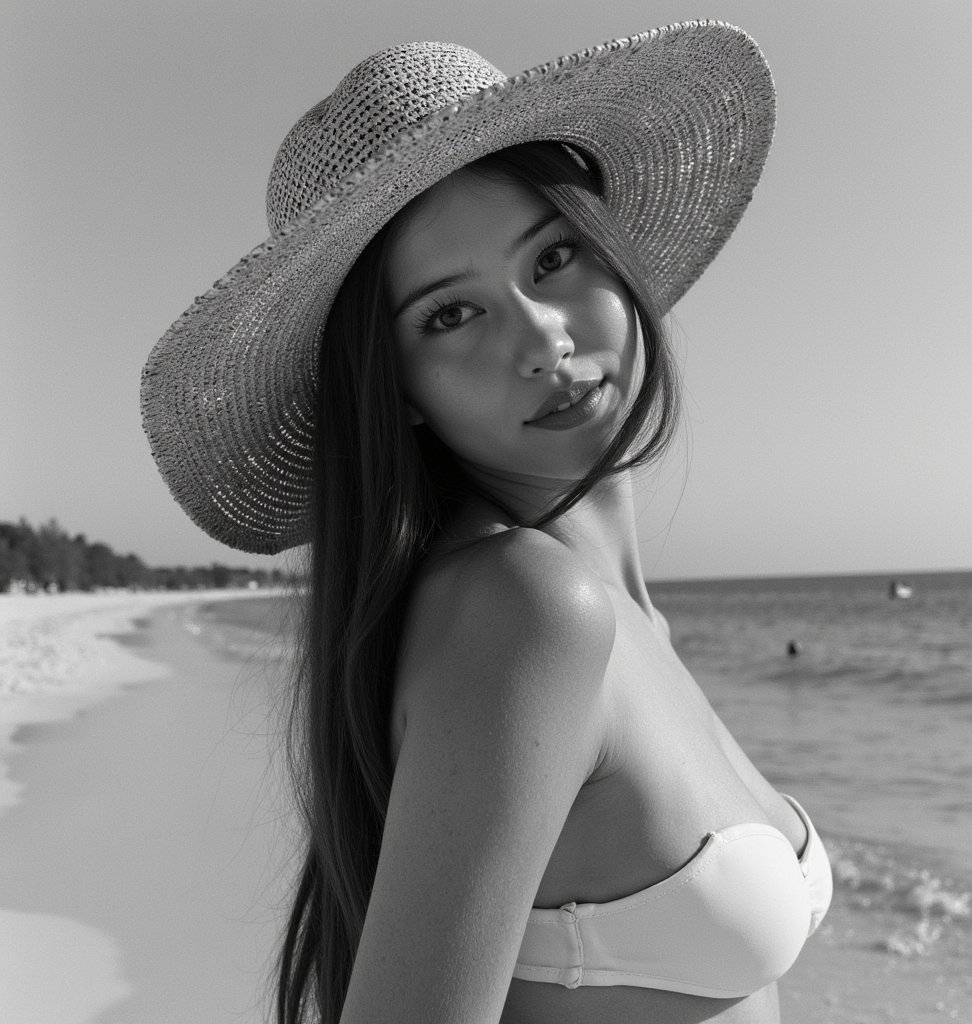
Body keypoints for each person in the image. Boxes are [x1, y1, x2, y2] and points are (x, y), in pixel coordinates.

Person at [142, 20, 832, 1024]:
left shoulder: (612, 615)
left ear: (611, 249)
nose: (543, 341)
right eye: (450, 314)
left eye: (551, 257)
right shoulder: (529, 608)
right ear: (402, 390)